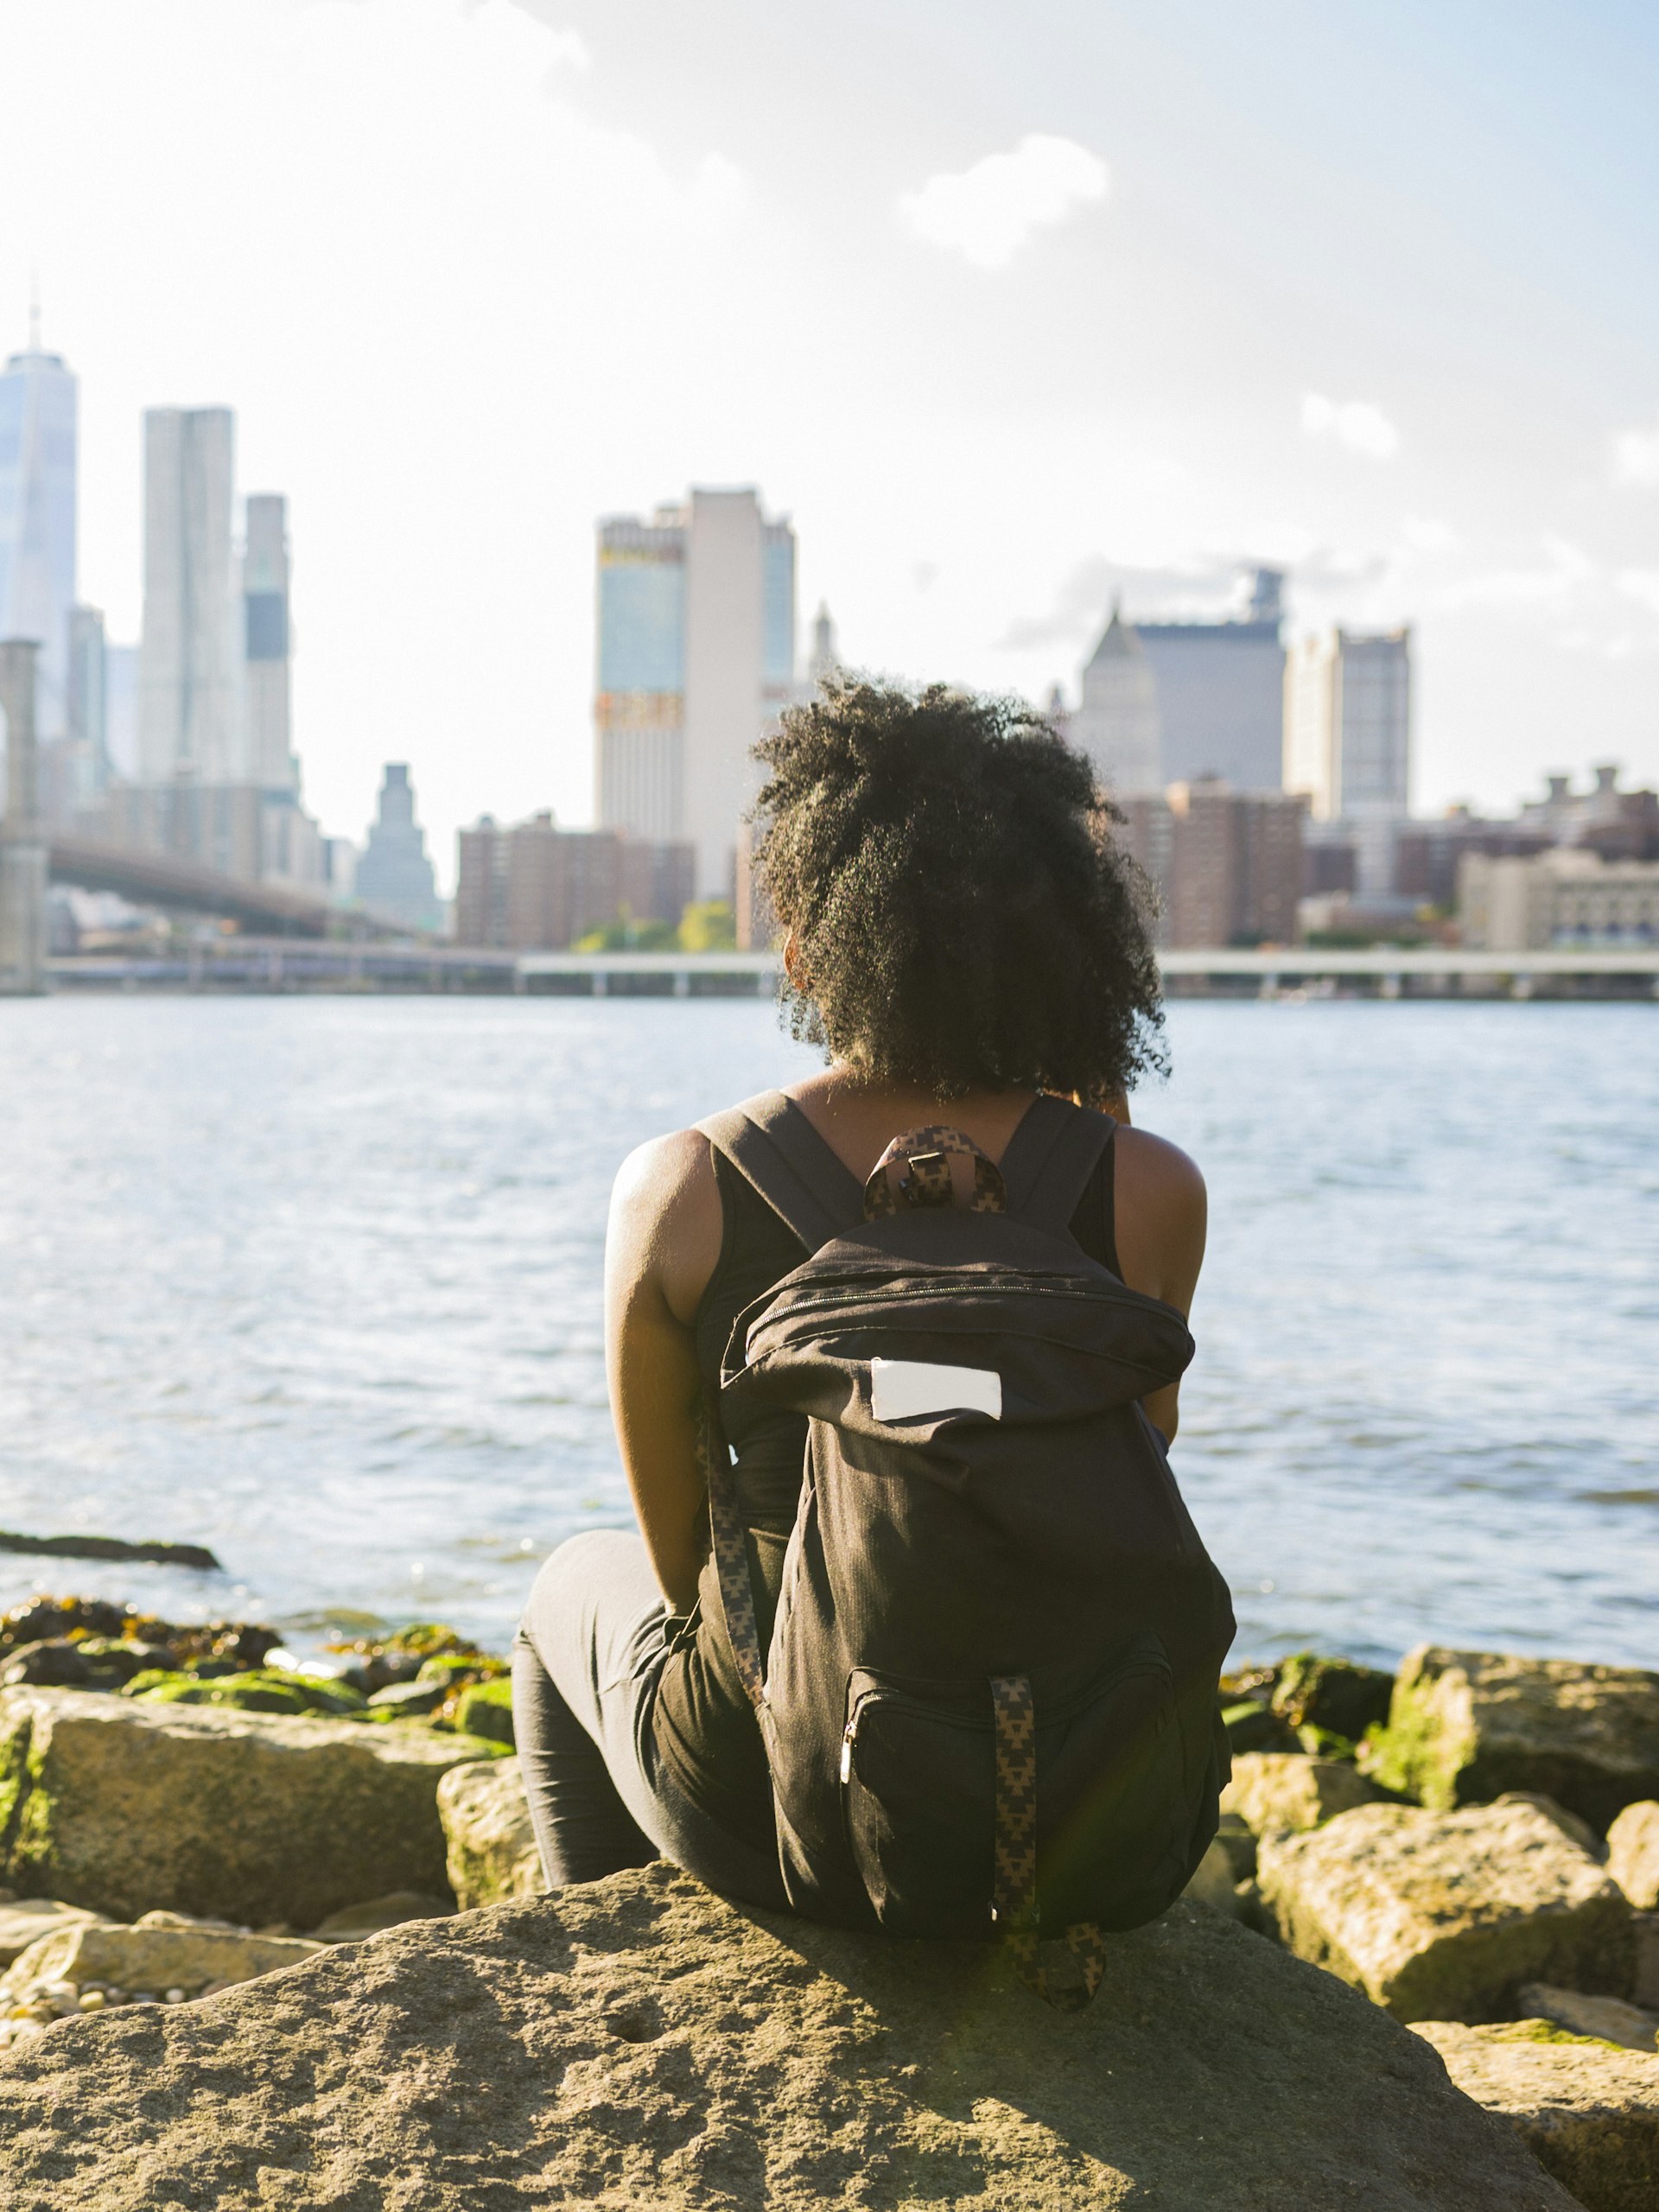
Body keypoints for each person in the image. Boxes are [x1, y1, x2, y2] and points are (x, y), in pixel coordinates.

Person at [509, 677, 1210, 1909]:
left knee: (570, 1581)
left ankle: (603, 1960)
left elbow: (685, 1579)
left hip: (782, 1810)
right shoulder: (1150, 1186)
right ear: (1063, 948)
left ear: (805, 944)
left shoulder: (681, 1188)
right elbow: (1130, 1462)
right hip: (1084, 1812)